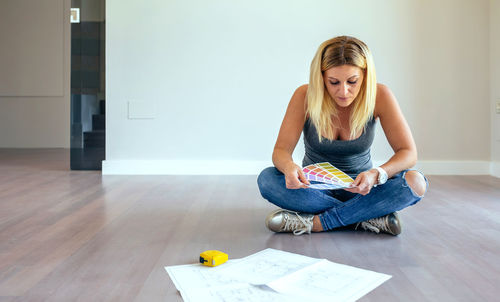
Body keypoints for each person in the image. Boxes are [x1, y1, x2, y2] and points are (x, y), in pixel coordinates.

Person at [257, 36, 428, 236]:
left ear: (365, 76)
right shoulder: (304, 96)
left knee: (416, 181)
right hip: (314, 189)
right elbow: (281, 151)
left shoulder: (379, 95)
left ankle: (317, 222)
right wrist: (289, 168)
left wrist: (377, 173)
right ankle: (364, 216)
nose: (343, 91)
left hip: (363, 189)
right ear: (321, 77)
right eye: (334, 82)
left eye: (352, 81)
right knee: (267, 179)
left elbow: (408, 153)